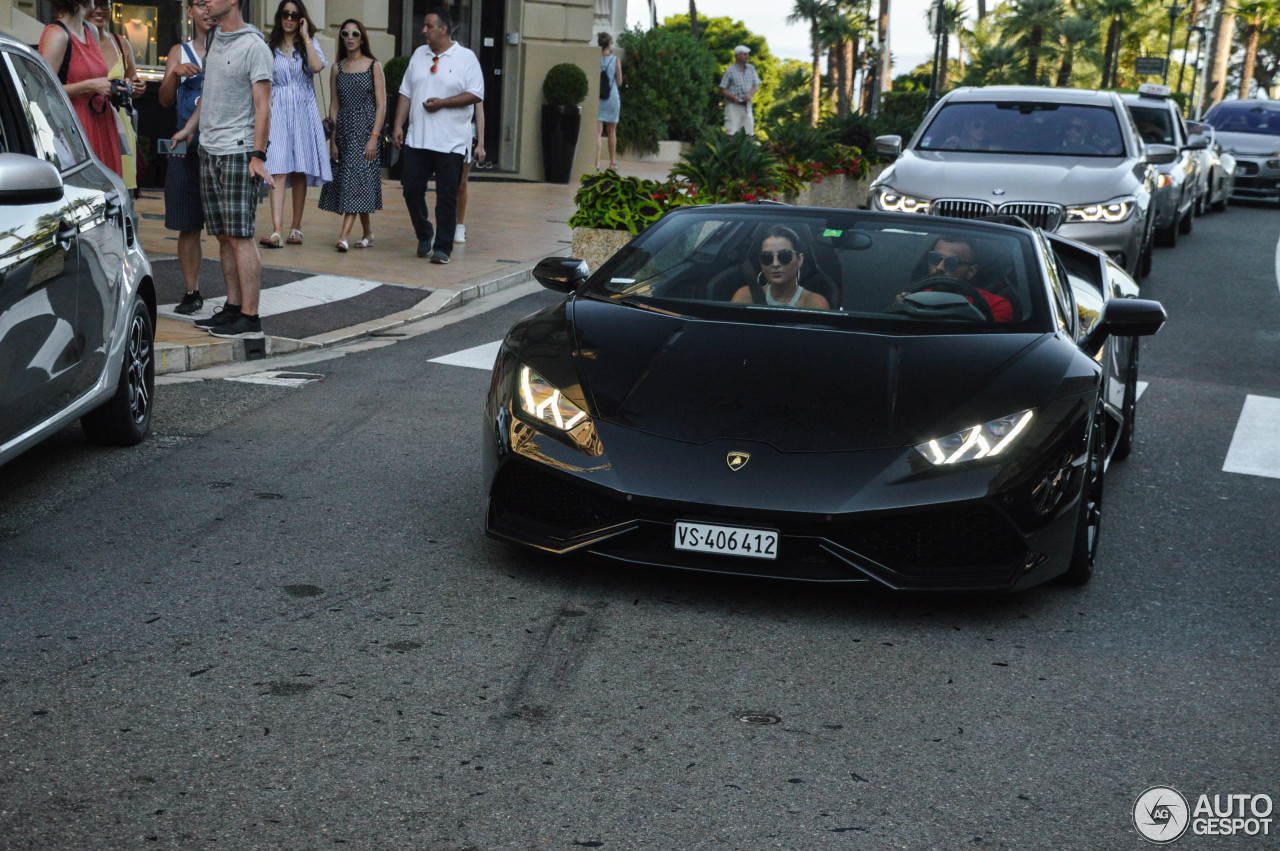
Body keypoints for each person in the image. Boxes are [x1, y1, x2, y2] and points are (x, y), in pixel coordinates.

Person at [171, 0, 276, 340]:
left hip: (238, 152)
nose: (205, 3)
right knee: (223, 235)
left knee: (241, 235)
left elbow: (263, 107)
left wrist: (258, 156)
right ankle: (233, 307)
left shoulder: (254, 47)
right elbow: (212, 96)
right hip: (209, 150)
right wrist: (189, 129)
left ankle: (250, 315)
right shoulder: (215, 38)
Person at [391, 7, 484, 265]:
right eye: (424, 25)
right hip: (418, 139)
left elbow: (476, 94)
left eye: (429, 26)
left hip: (450, 142)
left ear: (443, 29)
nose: (424, 30)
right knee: (410, 188)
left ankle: (443, 247)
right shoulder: (419, 55)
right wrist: (398, 124)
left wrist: (443, 103)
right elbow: (406, 93)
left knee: (447, 195)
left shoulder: (466, 58)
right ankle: (425, 232)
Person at [157, 0, 215, 315]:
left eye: (211, 4)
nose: (207, 10)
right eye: (200, 4)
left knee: (226, 227)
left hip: (218, 148)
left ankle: (236, 298)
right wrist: (174, 74)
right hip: (184, 147)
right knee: (187, 224)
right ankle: (192, 291)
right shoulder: (180, 51)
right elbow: (165, 100)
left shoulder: (227, 48)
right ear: (189, 11)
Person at [260, 0, 331, 249]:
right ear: (279, 17)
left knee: (299, 169)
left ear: (301, 18)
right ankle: (277, 231)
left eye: (294, 15)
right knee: (277, 167)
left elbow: (316, 66)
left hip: (303, 109)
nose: (289, 19)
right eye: (285, 14)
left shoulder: (309, 45)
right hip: (277, 109)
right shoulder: (269, 48)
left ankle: (295, 228)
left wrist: (306, 36)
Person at [318, 19, 386, 251]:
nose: (350, 37)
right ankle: (368, 233)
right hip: (345, 132)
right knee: (357, 184)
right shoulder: (337, 67)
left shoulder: (373, 66)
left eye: (355, 34)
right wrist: (333, 140)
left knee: (354, 182)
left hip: (366, 132)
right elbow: (334, 106)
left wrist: (374, 137)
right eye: (345, 33)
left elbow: (382, 105)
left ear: (362, 38)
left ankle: (343, 236)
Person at [38, 0, 122, 177]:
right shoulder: (57, 35)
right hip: (75, 125)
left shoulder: (90, 30)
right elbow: (44, 91)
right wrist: (90, 85)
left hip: (101, 119)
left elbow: (96, 75)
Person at [86, 0, 145, 191]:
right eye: (94, 4)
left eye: (105, 5)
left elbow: (133, 82)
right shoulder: (73, 42)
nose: (100, 10)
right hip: (88, 124)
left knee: (121, 194)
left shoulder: (121, 43)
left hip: (119, 128)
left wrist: (136, 88)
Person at [903, 235, 1012, 322]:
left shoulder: (995, 306)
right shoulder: (913, 298)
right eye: (934, 258)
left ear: (971, 271)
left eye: (951, 262)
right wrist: (901, 308)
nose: (939, 267)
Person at [732, 225, 830, 310]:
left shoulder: (815, 304)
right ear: (760, 262)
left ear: (799, 260)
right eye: (767, 257)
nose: (775, 264)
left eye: (784, 256)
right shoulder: (745, 296)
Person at [455, 105, 484, 244]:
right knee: (444, 183)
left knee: (462, 183)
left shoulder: (474, 83)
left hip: (466, 134)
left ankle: (459, 225)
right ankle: (444, 224)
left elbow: (479, 111)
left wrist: (481, 143)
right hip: (443, 132)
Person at [719, 45, 760, 137]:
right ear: (738, 56)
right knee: (731, 132)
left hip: (747, 106)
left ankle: (747, 150)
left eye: (747, 54)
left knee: (749, 132)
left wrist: (749, 94)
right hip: (733, 106)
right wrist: (732, 97)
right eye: (745, 54)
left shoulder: (751, 68)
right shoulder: (730, 70)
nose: (747, 57)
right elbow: (722, 88)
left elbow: (756, 85)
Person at [595, 31, 622, 170]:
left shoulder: (596, 59)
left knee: (598, 132)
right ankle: (612, 162)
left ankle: (597, 163)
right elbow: (620, 81)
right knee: (611, 131)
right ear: (609, 44)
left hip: (599, 97)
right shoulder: (615, 60)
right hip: (612, 98)